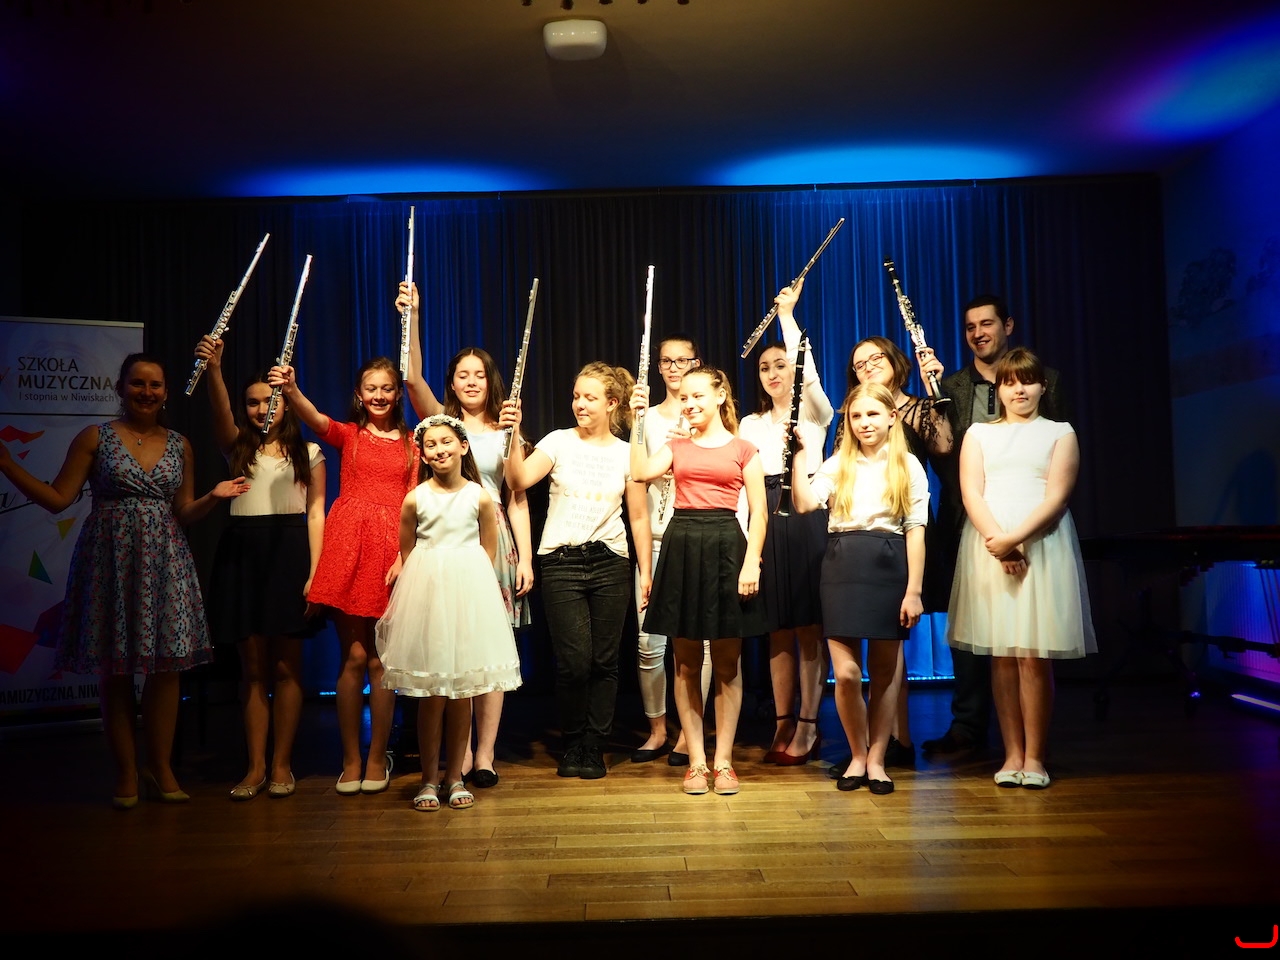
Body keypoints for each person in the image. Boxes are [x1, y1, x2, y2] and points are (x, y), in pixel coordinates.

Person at [0, 354, 247, 807]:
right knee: (114, 670)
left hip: (165, 561)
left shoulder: (180, 444)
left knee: (165, 671)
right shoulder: (95, 437)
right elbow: (58, 499)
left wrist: (214, 496)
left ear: (166, 392)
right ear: (121, 387)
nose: (146, 392)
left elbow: (183, 511)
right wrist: (7, 464)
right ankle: (126, 774)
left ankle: (161, 769)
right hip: (109, 560)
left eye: (155, 385)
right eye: (138, 383)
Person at [397, 279, 534, 788]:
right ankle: (457, 754)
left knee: (487, 649)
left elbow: (516, 494)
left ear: (490, 380)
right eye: (462, 375)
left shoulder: (507, 426)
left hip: (493, 540)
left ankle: (485, 754)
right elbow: (411, 377)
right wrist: (413, 316)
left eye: (479, 374)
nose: (471, 381)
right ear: (452, 384)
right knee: (449, 648)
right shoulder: (442, 425)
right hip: (448, 542)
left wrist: (526, 558)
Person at [918, 295, 1067, 756]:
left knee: (1028, 637)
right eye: (970, 327)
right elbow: (942, 455)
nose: (978, 333)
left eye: (987, 324)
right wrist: (933, 395)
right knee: (973, 630)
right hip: (965, 520)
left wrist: (1019, 533)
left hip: (1030, 526)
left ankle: (1028, 744)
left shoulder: (1045, 379)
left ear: (1008, 325)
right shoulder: (951, 384)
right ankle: (968, 725)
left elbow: (1051, 452)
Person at [946, 348, 1094, 788]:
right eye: (1010, 383)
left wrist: (1016, 539)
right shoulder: (978, 433)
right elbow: (971, 492)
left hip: (1041, 542)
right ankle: (1011, 753)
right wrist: (998, 540)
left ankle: (1035, 757)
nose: (1020, 390)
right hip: (990, 543)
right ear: (999, 390)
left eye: (1027, 381)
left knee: (1033, 655)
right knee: (1003, 654)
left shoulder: (1060, 432)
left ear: (1042, 386)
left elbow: (1057, 496)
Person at [268, 356, 416, 796]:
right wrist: (291, 389)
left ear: (397, 393)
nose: (379, 395)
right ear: (358, 393)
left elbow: (412, 504)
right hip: (350, 548)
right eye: (371, 388)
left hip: (390, 552)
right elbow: (315, 419)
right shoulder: (349, 435)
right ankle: (351, 758)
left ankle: (377, 757)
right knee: (353, 656)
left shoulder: (413, 443)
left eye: (387, 388)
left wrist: (404, 555)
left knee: (381, 661)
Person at [500, 362, 652, 780]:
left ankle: (594, 746)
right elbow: (517, 480)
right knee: (573, 662)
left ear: (612, 403)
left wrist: (645, 571)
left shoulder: (626, 452)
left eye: (589, 397)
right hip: (562, 561)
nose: (579, 404)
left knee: (605, 661)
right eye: (576, 396)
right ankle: (573, 741)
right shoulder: (558, 441)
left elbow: (638, 516)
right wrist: (513, 433)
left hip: (610, 561)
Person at [195, 335, 326, 800]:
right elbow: (220, 415)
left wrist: (315, 573)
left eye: (269, 400)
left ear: (285, 403)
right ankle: (254, 767)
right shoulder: (237, 448)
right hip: (243, 556)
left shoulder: (309, 453)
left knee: (287, 668)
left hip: (290, 556)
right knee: (252, 671)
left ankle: (282, 765)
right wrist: (214, 369)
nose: (260, 409)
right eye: (252, 402)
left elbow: (316, 514)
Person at [630, 366, 767, 796]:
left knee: (727, 663)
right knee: (686, 662)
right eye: (684, 398)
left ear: (720, 395)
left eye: (698, 396)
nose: (689, 404)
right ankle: (696, 762)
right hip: (683, 545)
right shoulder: (675, 446)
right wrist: (637, 421)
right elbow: (639, 473)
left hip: (727, 545)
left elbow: (760, 513)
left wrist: (751, 563)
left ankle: (723, 761)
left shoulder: (744, 449)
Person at [376, 415, 522, 811]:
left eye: (446, 442)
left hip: (468, 596)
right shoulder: (416, 498)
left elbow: (487, 549)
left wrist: (467, 581)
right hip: (429, 597)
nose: (439, 450)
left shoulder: (479, 496)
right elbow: (409, 550)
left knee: (462, 693)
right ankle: (429, 778)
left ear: (463, 446)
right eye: (431, 445)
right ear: (423, 455)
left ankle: (455, 776)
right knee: (433, 694)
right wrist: (431, 579)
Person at [791, 382, 928, 794]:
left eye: (872, 414)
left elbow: (915, 530)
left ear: (891, 417)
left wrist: (914, 591)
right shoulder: (838, 464)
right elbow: (805, 504)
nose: (864, 422)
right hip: (842, 566)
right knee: (848, 674)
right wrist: (799, 456)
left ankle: (877, 759)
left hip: (888, 565)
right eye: (856, 416)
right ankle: (856, 753)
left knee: (885, 674)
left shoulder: (907, 465)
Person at [834, 336, 953, 773]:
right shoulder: (855, 413)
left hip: (907, 530)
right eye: (858, 363)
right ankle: (874, 748)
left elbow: (946, 448)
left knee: (894, 641)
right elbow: (841, 471)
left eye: (875, 358)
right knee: (877, 651)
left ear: (895, 360)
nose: (867, 366)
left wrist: (936, 388)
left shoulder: (920, 408)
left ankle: (898, 740)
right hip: (862, 539)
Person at [738, 279, 833, 765]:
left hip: (806, 511)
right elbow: (743, 488)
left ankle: (810, 724)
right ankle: (782, 720)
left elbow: (808, 375)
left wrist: (787, 317)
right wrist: (747, 546)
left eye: (780, 365)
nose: (773, 373)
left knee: (809, 626)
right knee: (777, 628)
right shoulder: (749, 425)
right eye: (764, 367)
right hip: (766, 517)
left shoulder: (815, 413)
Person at [630, 333, 711, 767]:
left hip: (697, 538)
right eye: (666, 361)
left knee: (700, 645)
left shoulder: (709, 416)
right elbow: (636, 485)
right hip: (657, 540)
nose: (674, 368)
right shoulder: (646, 418)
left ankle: (689, 733)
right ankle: (658, 729)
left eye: (683, 360)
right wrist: (644, 565)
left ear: (697, 363)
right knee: (649, 643)